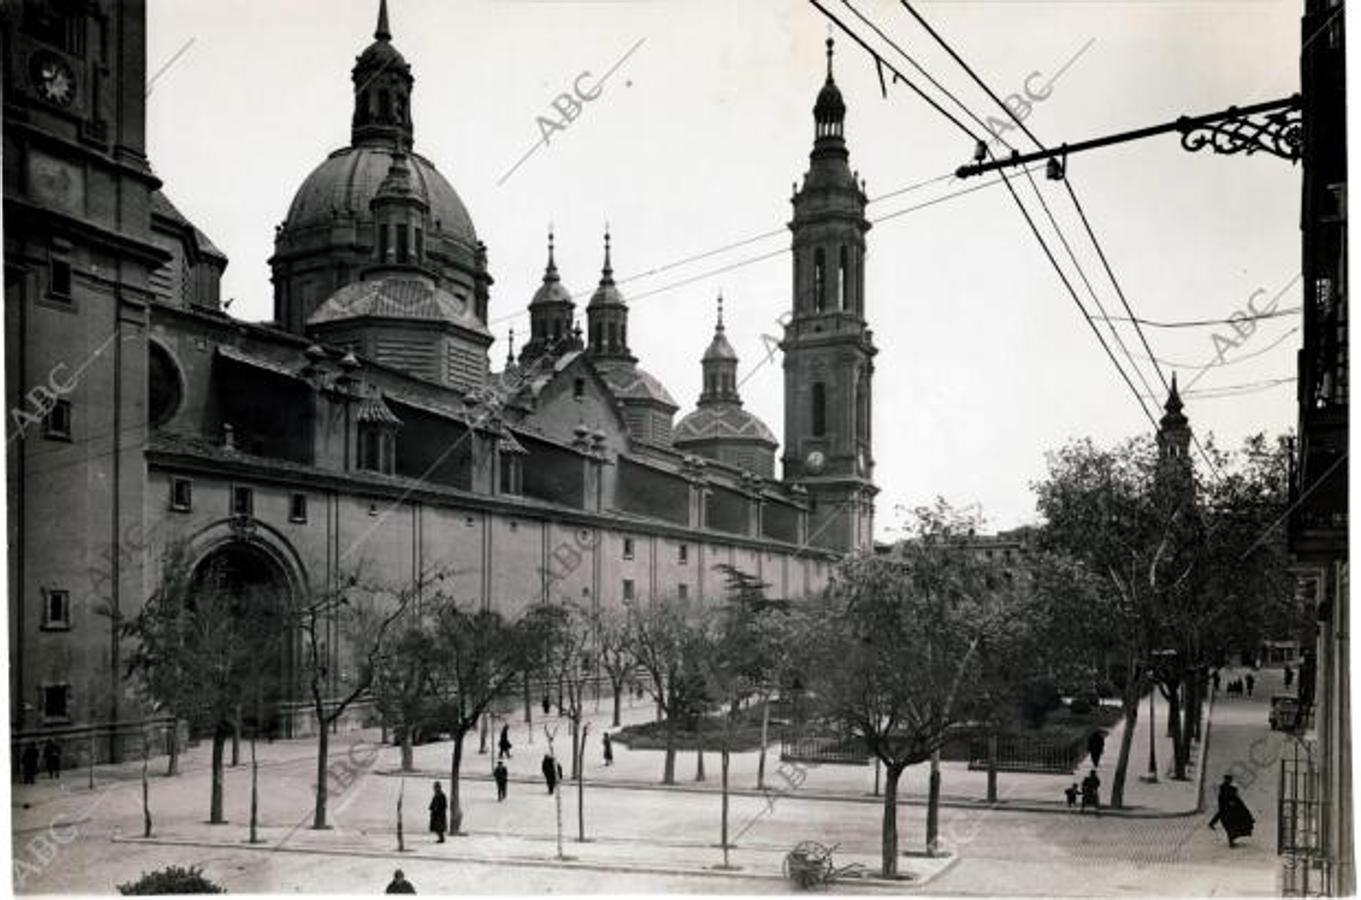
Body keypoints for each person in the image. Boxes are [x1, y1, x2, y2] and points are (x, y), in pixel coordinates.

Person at [1208, 774, 1255, 847]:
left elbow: (1235, 801)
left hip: (1228, 811)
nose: (1229, 781)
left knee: (1230, 826)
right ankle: (1231, 841)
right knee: (1231, 826)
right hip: (1229, 811)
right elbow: (1231, 801)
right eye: (1228, 780)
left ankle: (1231, 840)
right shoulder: (1227, 789)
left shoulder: (1227, 789)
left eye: (1229, 780)